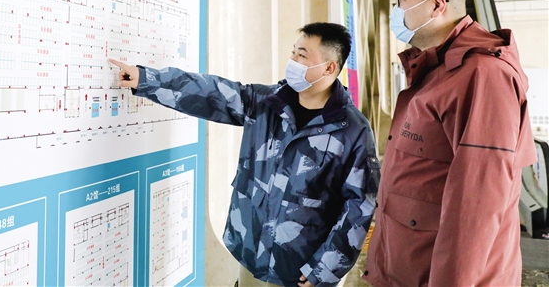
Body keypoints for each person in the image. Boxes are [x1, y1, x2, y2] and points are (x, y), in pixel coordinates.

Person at [110, 23, 380, 287]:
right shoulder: (267, 103)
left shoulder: (352, 130)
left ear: (329, 68)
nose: (293, 61)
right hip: (251, 254)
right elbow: (212, 92)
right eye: (293, 52)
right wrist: (146, 80)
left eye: (302, 55)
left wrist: (324, 270)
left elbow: (359, 207)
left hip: (299, 270)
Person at [364, 0, 537, 286]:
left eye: (402, 0)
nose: (396, 11)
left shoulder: (483, 75)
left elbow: (477, 207)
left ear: (436, 4)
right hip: (412, 271)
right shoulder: (439, 71)